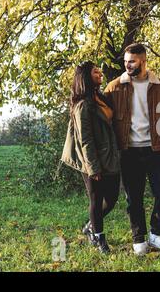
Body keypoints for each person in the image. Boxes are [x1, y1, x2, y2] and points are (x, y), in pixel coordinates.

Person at [104, 43, 160, 256]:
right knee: (134, 198)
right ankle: (138, 239)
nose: (127, 65)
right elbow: (101, 115)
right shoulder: (114, 87)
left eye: (131, 61)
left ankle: (156, 234)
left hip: (155, 148)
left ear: (143, 59)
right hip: (128, 150)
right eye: (125, 62)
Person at [61, 61, 120, 254]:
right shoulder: (82, 105)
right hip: (91, 160)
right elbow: (85, 139)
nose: (100, 74)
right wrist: (93, 168)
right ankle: (100, 239)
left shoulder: (100, 98)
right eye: (96, 72)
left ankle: (90, 227)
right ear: (86, 76)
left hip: (109, 155)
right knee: (96, 199)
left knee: (111, 199)